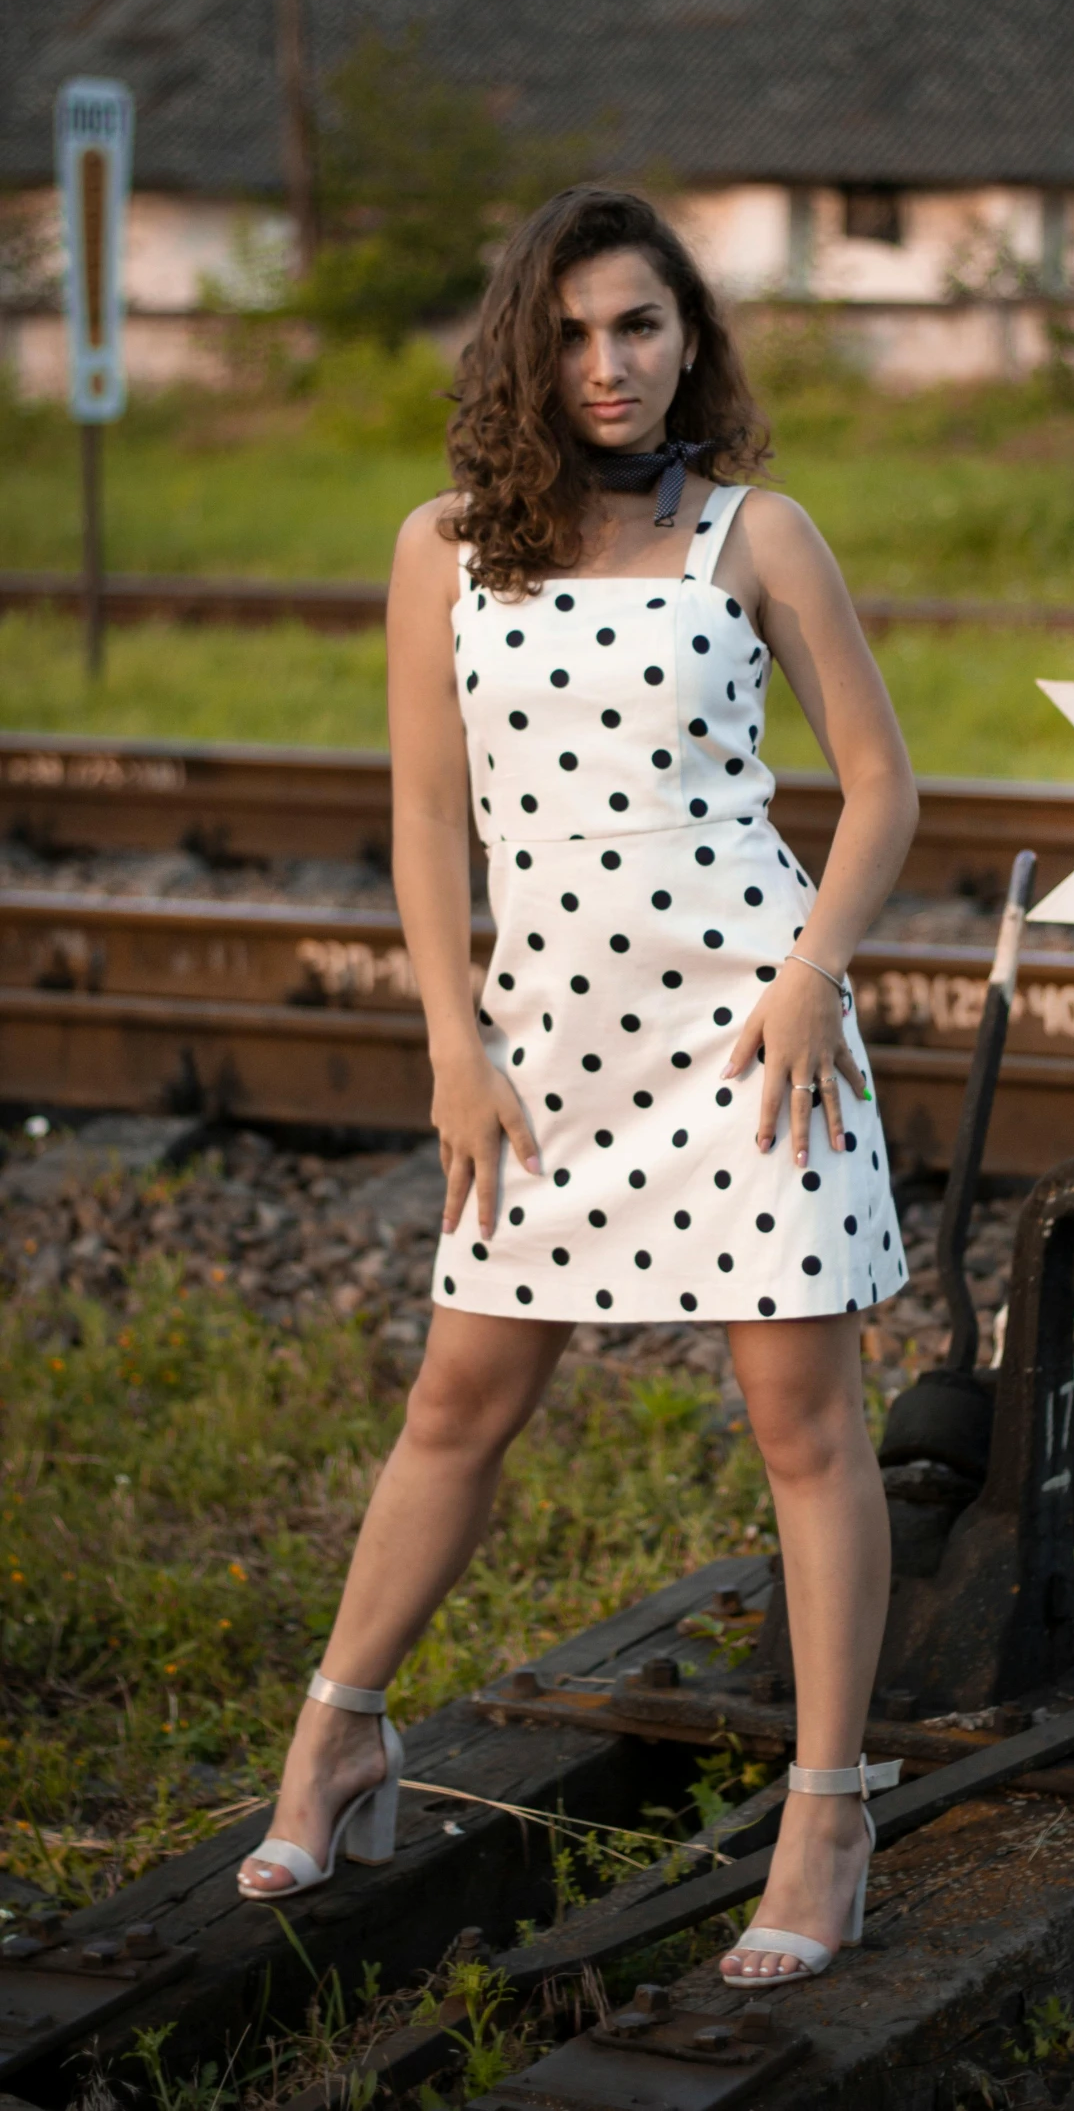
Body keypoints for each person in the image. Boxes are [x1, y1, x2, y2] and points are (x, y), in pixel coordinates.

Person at [236, 186, 919, 1988]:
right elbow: (422, 815)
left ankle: (827, 1809)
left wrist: (810, 976)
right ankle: (341, 1727)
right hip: (539, 1047)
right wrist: (449, 1040)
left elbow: (881, 783)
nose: (605, 364)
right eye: (571, 330)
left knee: (803, 1429)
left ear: (691, 338)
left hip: (747, 1033)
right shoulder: (441, 544)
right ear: (521, 347)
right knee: (457, 1397)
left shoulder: (757, 534)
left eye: (638, 326)